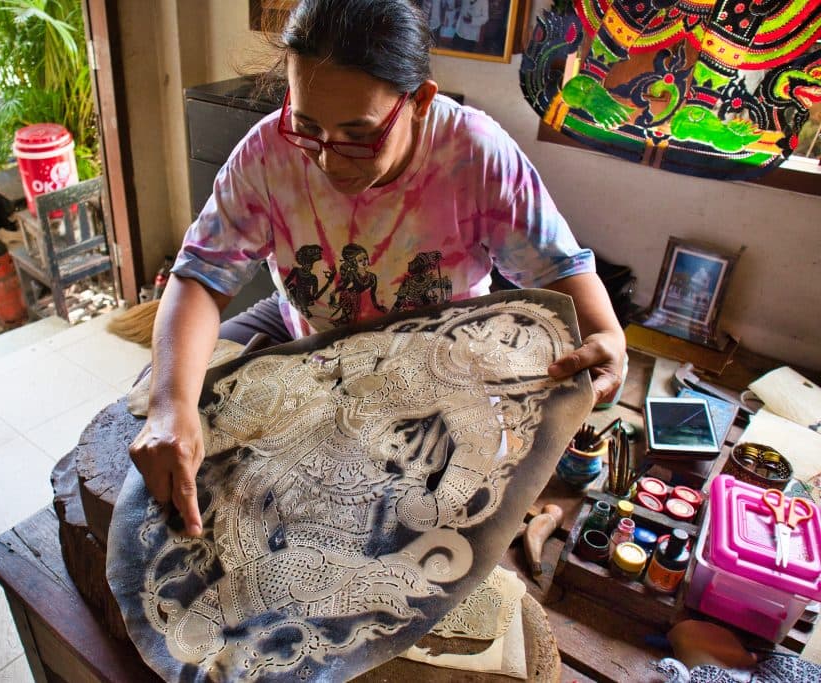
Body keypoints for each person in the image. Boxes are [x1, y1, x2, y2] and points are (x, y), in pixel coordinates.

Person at [129, 0, 627, 538]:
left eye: (359, 135)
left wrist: (605, 332)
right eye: (308, 127)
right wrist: (168, 407)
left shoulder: (474, 155)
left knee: (448, 514)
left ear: (419, 101)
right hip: (309, 333)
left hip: (439, 366)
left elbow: (559, 270)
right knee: (179, 422)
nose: (329, 160)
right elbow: (201, 276)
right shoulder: (268, 154)